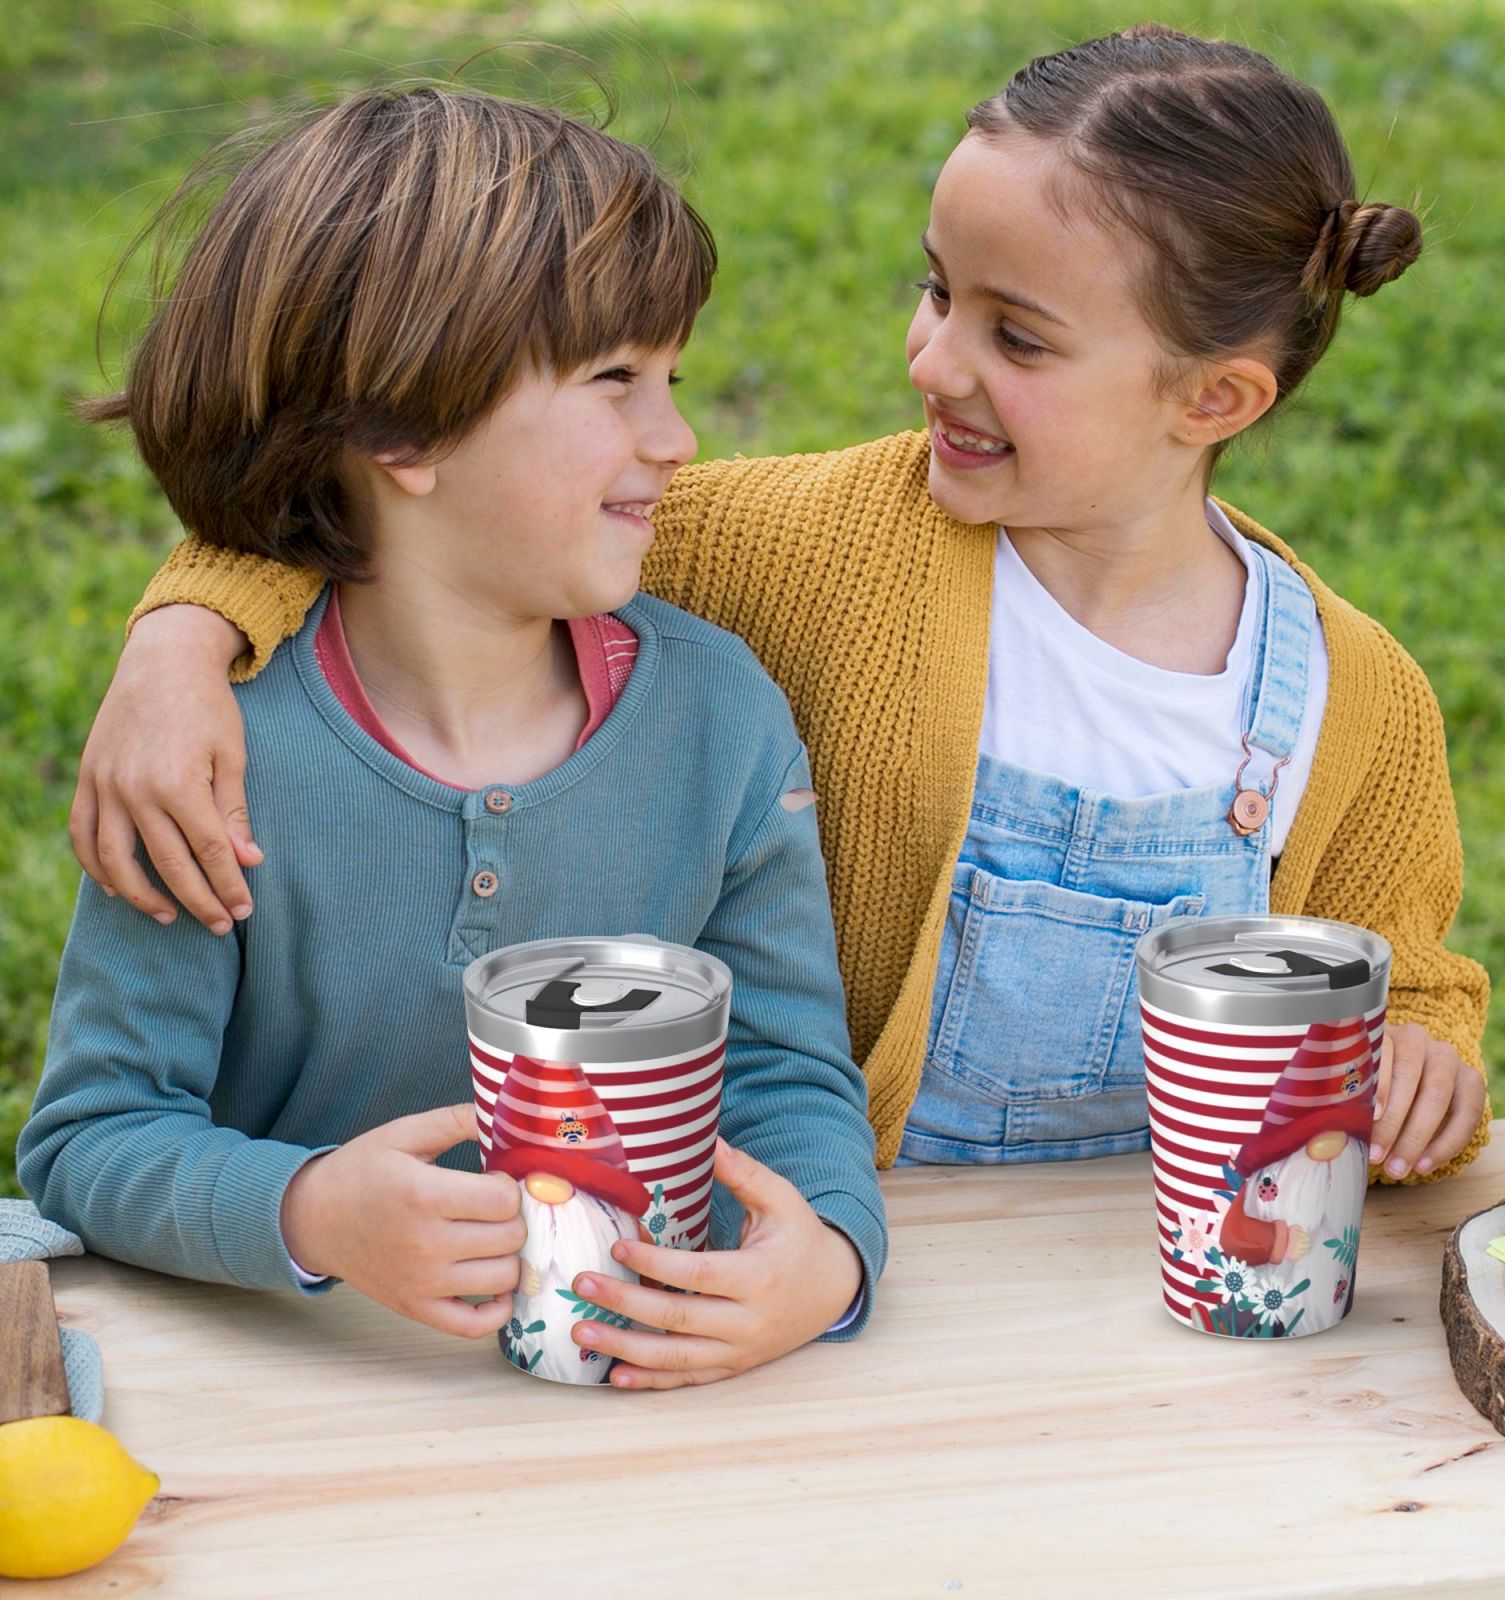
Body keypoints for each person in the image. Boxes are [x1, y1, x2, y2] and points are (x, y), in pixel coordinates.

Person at [66, 25, 1490, 1193]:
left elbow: (1405, 977)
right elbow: (425, 506)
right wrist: (186, 632)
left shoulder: (1355, 699)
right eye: (937, 291)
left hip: (1154, 1291)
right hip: (849, 1250)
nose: (933, 358)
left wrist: (1423, 1053)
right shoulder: (811, 547)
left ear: (1216, 398)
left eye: (1018, 335)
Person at [20, 86, 887, 1390]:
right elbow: (93, 1138)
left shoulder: (723, 720)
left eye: (673, 379)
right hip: (305, 1400)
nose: (677, 438)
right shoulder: (209, 758)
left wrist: (825, 1256)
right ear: (398, 430)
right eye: (614, 383)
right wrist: (312, 1211)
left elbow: (781, 1068)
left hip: (643, 1403)